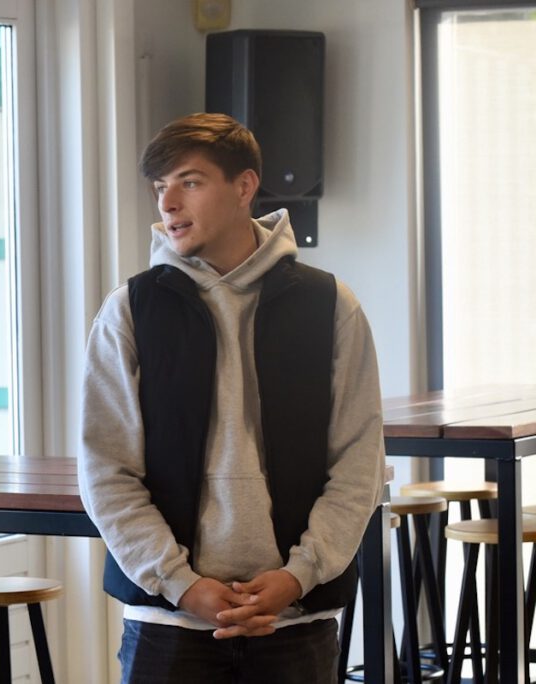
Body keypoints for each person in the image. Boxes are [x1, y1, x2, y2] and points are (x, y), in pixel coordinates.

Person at [78, 112, 384, 683]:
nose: (168, 203)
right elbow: (106, 471)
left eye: (189, 182)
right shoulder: (130, 311)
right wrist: (181, 584)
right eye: (160, 186)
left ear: (244, 187)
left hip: (296, 620)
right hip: (168, 623)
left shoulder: (330, 306)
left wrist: (299, 574)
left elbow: (359, 462)